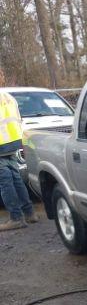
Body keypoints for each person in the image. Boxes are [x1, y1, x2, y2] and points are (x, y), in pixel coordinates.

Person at [0, 91, 38, 231]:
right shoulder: (8, 96)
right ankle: (30, 213)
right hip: (13, 142)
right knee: (15, 178)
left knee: (5, 182)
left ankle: (16, 218)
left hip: (1, 144)